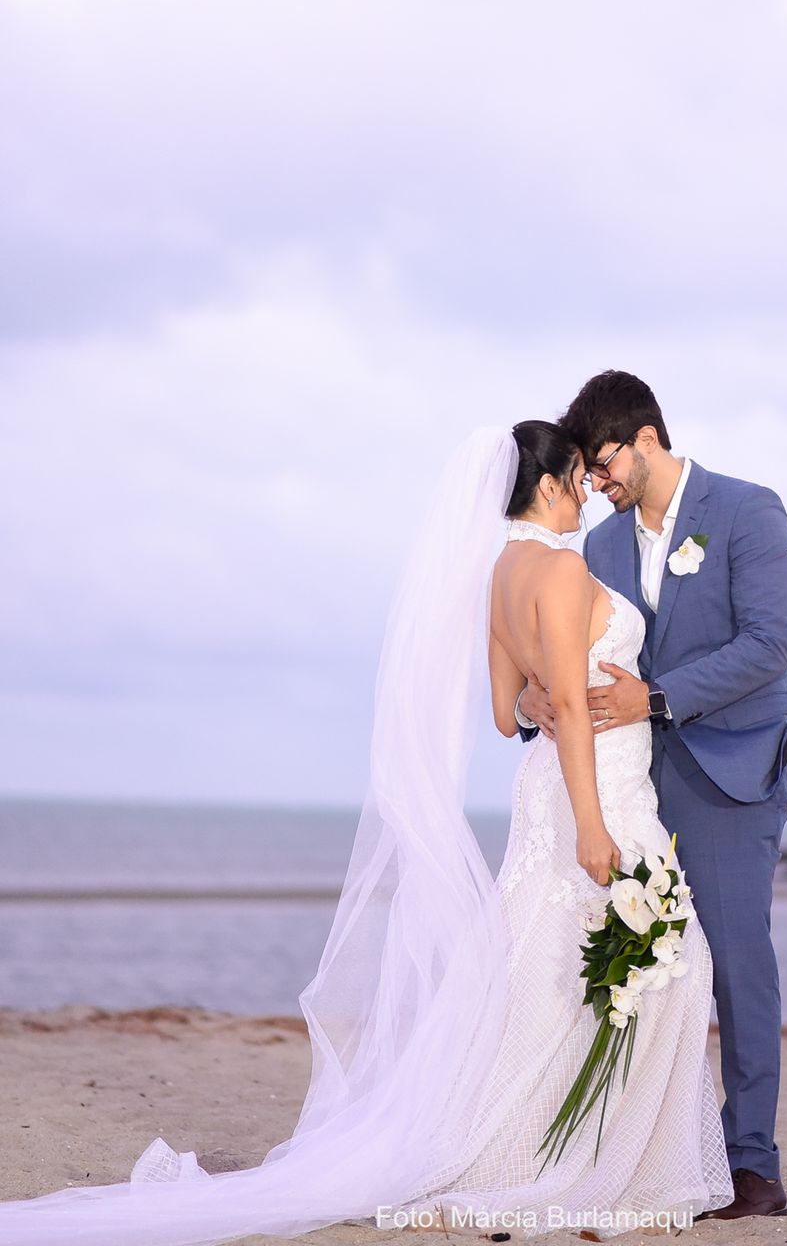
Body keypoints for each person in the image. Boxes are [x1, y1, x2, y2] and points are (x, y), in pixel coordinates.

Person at [0, 422, 732, 1246]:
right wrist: (592, 826)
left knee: (549, 974)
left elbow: (509, 713)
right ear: (553, 482)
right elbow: (559, 702)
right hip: (593, 795)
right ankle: (572, 1162)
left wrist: (547, 705)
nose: (587, 499)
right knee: (660, 962)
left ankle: (563, 1149)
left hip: (560, 786)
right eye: (577, 481)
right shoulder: (561, 570)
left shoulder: (499, 574)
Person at [517, 373, 787, 1221]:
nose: (596, 483)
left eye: (603, 464)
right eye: (586, 472)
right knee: (639, 970)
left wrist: (659, 696)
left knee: (734, 965)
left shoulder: (749, 511)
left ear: (646, 439)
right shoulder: (600, 545)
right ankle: (654, 1157)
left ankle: (753, 1167)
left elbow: (770, 644)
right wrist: (534, 700)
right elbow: (568, 649)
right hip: (629, 785)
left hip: (729, 772)